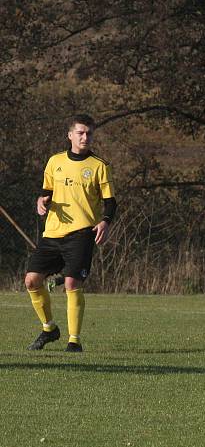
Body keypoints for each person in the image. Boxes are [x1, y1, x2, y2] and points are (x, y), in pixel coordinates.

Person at [25, 114, 116, 352]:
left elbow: (111, 203)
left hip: (82, 233)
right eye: (81, 133)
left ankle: (74, 341)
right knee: (31, 280)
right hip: (53, 232)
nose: (85, 137)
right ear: (70, 135)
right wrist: (41, 201)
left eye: (89, 133)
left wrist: (105, 222)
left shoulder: (99, 166)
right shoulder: (54, 161)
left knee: (71, 283)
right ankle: (49, 329)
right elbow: (46, 192)